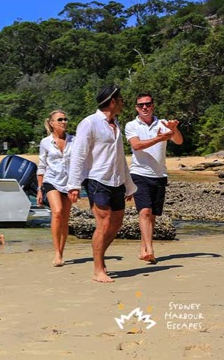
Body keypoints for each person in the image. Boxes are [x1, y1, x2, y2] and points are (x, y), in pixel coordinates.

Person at [67, 85, 137, 283]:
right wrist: (74, 185)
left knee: (116, 223)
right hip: (96, 178)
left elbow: (120, 157)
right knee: (104, 222)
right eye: (121, 99)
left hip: (116, 179)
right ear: (112, 101)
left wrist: (129, 185)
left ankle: (100, 258)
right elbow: (78, 155)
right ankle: (98, 269)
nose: (123, 102)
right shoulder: (89, 123)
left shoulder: (116, 124)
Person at [125, 92, 183, 263]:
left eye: (148, 104)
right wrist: (159, 138)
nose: (145, 107)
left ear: (153, 105)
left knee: (153, 216)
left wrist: (173, 129)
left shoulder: (163, 123)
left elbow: (179, 141)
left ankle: (143, 250)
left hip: (159, 174)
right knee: (144, 211)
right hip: (139, 173)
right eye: (141, 105)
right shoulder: (131, 125)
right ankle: (150, 249)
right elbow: (136, 145)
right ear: (136, 107)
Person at [37, 110, 74, 267]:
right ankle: (56, 253)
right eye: (60, 119)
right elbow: (42, 166)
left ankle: (61, 251)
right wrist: (40, 189)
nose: (64, 122)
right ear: (52, 123)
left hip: (69, 183)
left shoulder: (74, 140)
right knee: (57, 212)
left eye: (65, 119)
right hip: (51, 181)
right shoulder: (45, 142)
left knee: (64, 220)